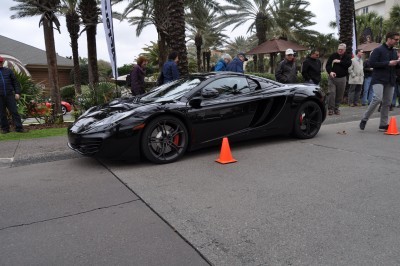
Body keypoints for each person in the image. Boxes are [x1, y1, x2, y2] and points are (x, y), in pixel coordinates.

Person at [359, 32, 400, 131]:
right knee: (377, 98)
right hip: (378, 79)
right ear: (389, 39)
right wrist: (388, 63)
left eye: (398, 40)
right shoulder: (378, 50)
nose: (397, 41)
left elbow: (395, 66)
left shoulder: (394, 52)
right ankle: (364, 119)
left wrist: (398, 63)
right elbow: (372, 63)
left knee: (387, 102)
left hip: (390, 80)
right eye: (396, 39)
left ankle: (383, 124)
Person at [0, 56, 27, 133]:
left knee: (14, 111)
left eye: (1, 62)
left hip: (9, 95)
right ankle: (5, 129)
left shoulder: (8, 71)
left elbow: (15, 82)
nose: (0, 64)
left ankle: (19, 128)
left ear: (3, 62)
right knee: (2, 113)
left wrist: (17, 92)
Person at [325, 43, 352, 115]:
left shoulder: (347, 56)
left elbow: (348, 64)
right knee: (331, 93)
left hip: (342, 78)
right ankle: (330, 109)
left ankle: (336, 108)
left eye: (341, 50)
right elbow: (328, 65)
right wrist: (330, 72)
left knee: (339, 95)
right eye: (339, 49)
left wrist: (339, 61)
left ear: (344, 50)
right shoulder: (333, 55)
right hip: (332, 78)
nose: (339, 51)